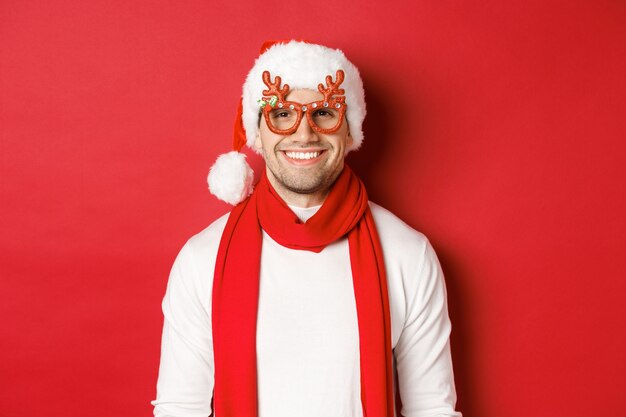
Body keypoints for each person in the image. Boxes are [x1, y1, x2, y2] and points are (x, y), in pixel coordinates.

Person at [151, 40, 462, 417]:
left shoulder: (407, 254)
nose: (303, 135)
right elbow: (179, 409)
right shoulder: (202, 259)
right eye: (282, 114)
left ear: (349, 131)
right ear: (257, 133)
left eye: (324, 113)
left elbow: (432, 408)